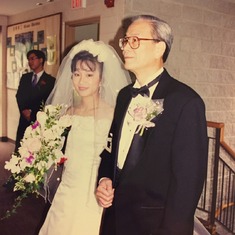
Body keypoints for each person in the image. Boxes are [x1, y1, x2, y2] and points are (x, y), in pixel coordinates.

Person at [96, 14, 209, 235]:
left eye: (134, 40)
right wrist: (104, 178)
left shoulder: (186, 102)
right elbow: (111, 151)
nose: (125, 47)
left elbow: (188, 182)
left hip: (154, 225)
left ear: (159, 48)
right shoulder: (123, 96)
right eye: (125, 41)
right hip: (115, 218)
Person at [39, 39, 131, 235]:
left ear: (101, 78)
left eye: (89, 75)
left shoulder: (113, 114)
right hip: (67, 189)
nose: (81, 81)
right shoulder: (67, 114)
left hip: (96, 191)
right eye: (77, 74)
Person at [15, 49, 55, 152]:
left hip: (39, 121)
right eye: (29, 59)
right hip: (24, 119)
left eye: (32, 59)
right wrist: (24, 110)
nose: (30, 62)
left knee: (36, 152)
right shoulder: (25, 78)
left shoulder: (50, 81)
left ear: (41, 60)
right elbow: (19, 95)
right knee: (21, 150)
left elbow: (48, 100)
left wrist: (32, 113)